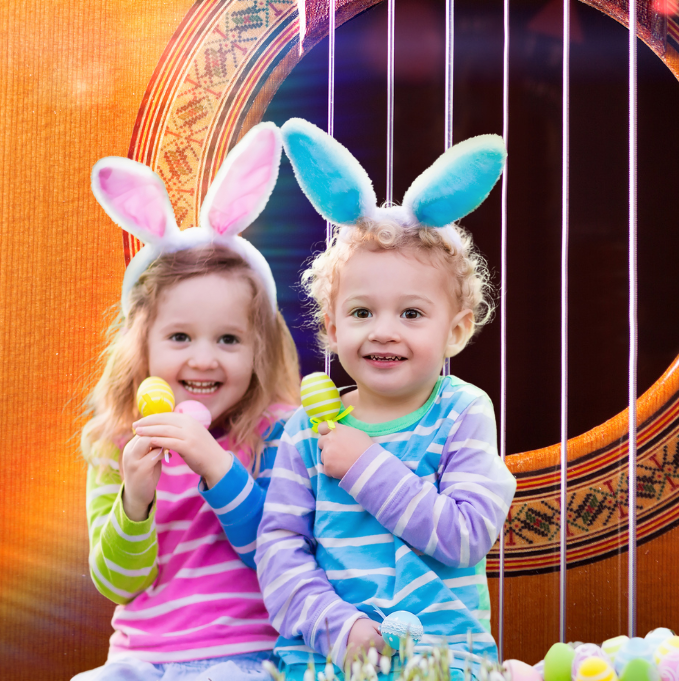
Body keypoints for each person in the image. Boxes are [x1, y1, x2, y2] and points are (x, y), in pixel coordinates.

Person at [256, 119, 517, 681]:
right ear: (330, 325)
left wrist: (366, 466)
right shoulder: (307, 428)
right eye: (361, 312)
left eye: (412, 314)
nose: (383, 331)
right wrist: (337, 627)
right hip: (327, 660)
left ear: (456, 329)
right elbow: (279, 549)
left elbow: (466, 536)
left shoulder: (464, 412)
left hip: (444, 662)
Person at [74, 123, 301, 681]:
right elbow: (118, 583)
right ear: (143, 347)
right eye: (180, 338)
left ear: (259, 350)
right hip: (139, 658)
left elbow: (279, 555)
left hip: (249, 656)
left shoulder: (277, 434)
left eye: (228, 339)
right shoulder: (117, 444)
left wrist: (216, 465)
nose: (204, 360)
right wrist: (135, 498)